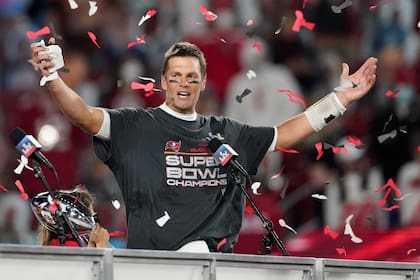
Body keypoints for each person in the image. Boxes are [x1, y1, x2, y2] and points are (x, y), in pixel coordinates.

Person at [30, 38, 377, 253]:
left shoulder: (226, 131)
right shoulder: (135, 125)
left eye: (192, 77)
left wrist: (339, 99)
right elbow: (84, 115)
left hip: (210, 265)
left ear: (203, 83)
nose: (184, 84)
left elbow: (284, 133)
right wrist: (52, 77)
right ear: (164, 80)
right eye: (177, 76)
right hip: (153, 268)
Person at [32, 184, 110, 248]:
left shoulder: (62, 243)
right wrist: (101, 244)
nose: (94, 221)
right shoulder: (66, 245)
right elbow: (87, 266)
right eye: (90, 214)